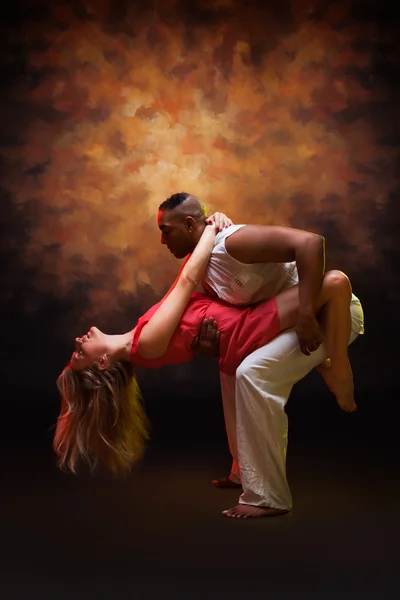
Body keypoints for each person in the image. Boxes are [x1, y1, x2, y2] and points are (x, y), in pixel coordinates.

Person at [54, 221, 355, 490]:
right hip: (243, 326)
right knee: (336, 283)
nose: (78, 341)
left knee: (235, 407)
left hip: (236, 320)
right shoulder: (144, 344)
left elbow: (182, 297)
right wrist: (207, 230)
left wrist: (207, 223)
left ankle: (243, 472)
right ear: (103, 364)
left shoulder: (139, 336)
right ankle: (337, 369)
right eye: (79, 354)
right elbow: (185, 283)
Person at [158, 192, 364, 518]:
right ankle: (244, 470)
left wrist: (308, 314)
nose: (162, 240)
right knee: (231, 366)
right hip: (282, 325)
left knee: (252, 374)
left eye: (166, 231)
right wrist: (214, 345)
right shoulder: (202, 265)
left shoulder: (232, 242)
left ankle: (268, 497)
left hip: (328, 317)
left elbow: (311, 243)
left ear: (188, 224)